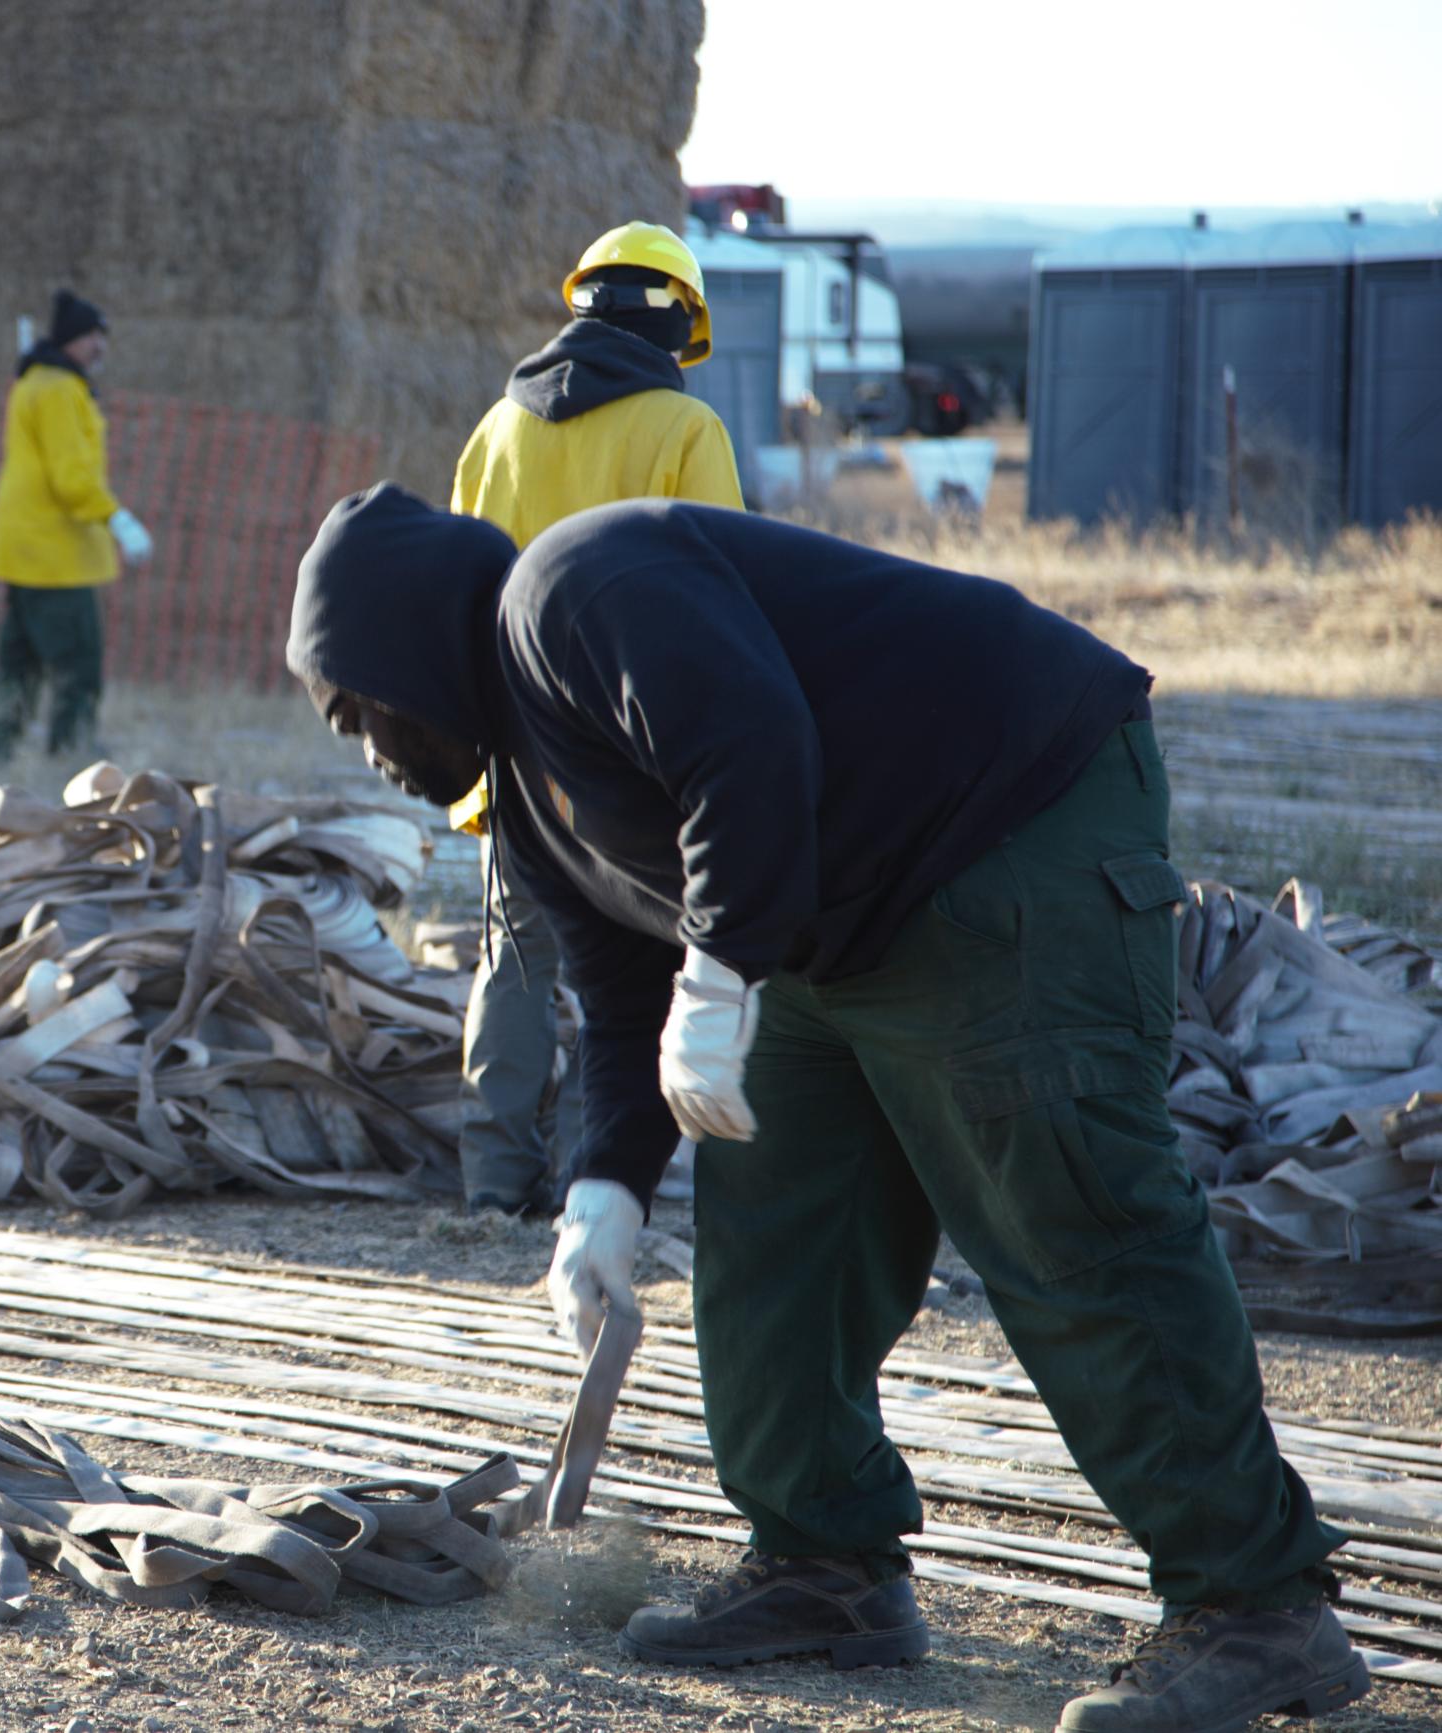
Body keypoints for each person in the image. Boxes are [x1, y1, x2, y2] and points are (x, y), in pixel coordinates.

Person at [285, 487, 1365, 1733]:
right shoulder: (530, 801)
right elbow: (617, 990)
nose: (362, 743)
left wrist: (721, 964)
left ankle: (1257, 1602)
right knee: (773, 1215)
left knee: (1067, 1210)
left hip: (1003, 817)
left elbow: (747, 740)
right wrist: (604, 1188)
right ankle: (824, 1564)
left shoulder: (574, 589)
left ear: (406, 638)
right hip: (833, 915)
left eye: (355, 700)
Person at [447, 221, 743, 1215]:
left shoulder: (495, 429)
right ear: (676, 324)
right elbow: (716, 601)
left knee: (516, 956)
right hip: (629, 763)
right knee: (631, 980)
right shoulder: (682, 432)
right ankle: (596, 1178)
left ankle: (490, 1184)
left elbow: (460, 588)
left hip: (510, 743)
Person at [0, 290, 152, 758]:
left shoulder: (35, 383)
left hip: (23, 551)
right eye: (94, 335)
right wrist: (117, 518)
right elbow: (71, 477)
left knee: (18, 667)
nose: (101, 346)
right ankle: (70, 761)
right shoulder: (58, 389)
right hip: (56, 556)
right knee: (79, 668)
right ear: (73, 339)